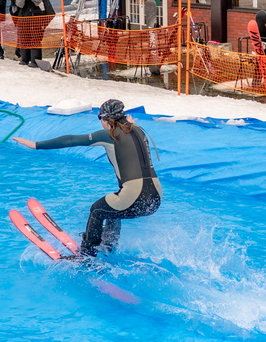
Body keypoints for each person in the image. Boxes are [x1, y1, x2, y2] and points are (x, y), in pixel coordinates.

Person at [13, 99, 161, 256]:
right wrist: (127, 122)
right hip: (155, 199)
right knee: (111, 208)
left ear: (106, 119)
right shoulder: (139, 130)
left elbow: (71, 140)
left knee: (97, 210)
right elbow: (128, 129)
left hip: (134, 197)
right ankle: (108, 245)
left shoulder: (109, 135)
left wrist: (36, 145)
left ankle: (87, 255)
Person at [10, 0, 50, 67]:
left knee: (35, 39)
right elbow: (19, 4)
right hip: (23, 17)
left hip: (35, 17)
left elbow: (37, 1)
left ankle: (35, 60)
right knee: (24, 38)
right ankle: (24, 59)